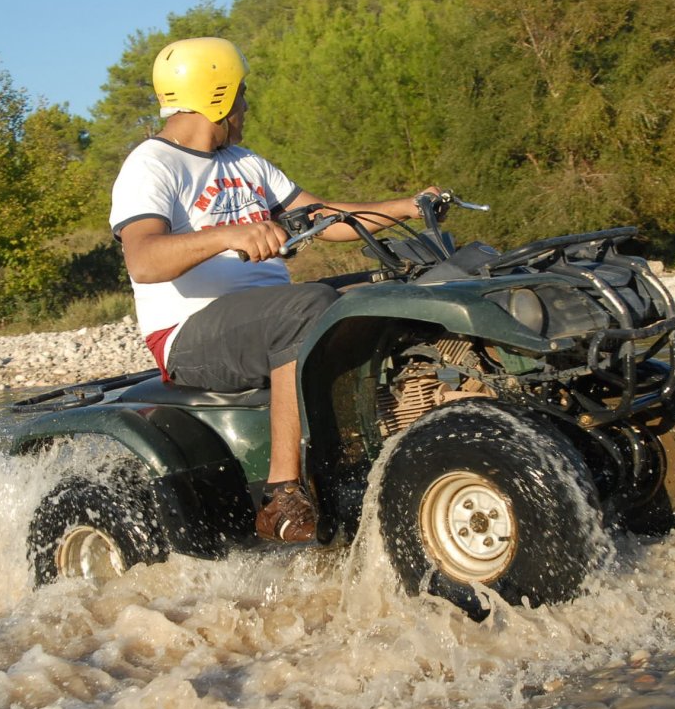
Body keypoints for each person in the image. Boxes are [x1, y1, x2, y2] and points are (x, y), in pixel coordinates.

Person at [110, 36, 437, 544]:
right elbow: (144, 259)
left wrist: (410, 206)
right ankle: (281, 496)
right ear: (216, 95)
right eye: (240, 94)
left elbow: (328, 218)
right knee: (307, 307)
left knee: (381, 297)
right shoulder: (152, 165)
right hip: (190, 333)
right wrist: (230, 234)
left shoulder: (247, 163)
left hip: (265, 315)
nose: (245, 106)